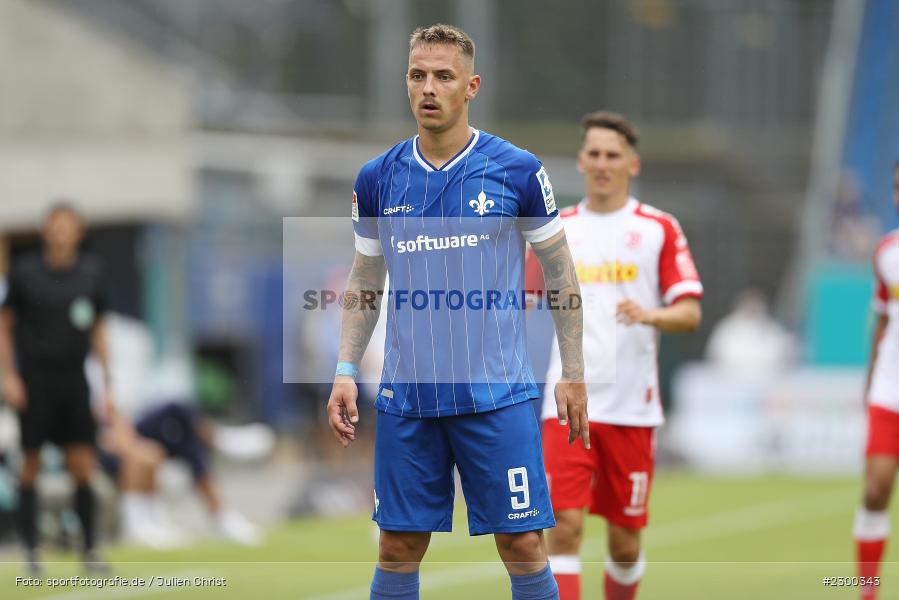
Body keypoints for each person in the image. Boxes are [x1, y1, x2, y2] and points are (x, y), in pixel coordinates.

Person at [325, 24, 588, 600]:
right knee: (397, 547)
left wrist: (573, 370)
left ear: (471, 86)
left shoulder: (516, 170)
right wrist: (345, 369)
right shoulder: (377, 178)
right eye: (417, 75)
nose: (429, 88)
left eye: (443, 76)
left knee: (522, 544)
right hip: (409, 399)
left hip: (497, 397)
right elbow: (366, 278)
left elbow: (562, 273)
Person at [525, 112, 702, 600]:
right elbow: (520, 298)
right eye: (595, 154)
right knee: (563, 527)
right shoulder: (555, 229)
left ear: (632, 163)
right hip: (566, 403)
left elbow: (689, 312)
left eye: (612, 155)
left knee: (624, 544)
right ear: (581, 161)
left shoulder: (658, 228)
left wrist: (650, 314)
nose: (603, 163)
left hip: (631, 409)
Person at [0, 203, 113, 572]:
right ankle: (31, 552)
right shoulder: (25, 272)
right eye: (55, 225)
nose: (61, 232)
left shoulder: (91, 273)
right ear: (46, 230)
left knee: (82, 465)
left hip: (74, 380)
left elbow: (99, 331)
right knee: (30, 464)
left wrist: (108, 384)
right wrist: (9, 376)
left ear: (79, 232)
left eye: (68, 225)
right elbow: (5, 325)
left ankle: (89, 550)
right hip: (35, 381)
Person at [97, 401, 264, 548]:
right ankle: (220, 441)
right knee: (172, 421)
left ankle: (159, 521)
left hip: (130, 433)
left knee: (180, 424)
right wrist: (129, 445)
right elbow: (105, 434)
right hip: (101, 452)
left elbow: (116, 419)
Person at [854, 160, 899, 600]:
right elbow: (883, 320)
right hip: (891, 389)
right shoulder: (887, 251)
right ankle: (867, 591)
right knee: (875, 488)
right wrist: (869, 383)